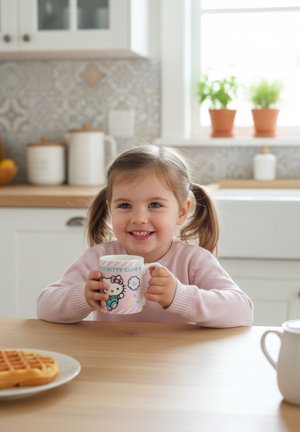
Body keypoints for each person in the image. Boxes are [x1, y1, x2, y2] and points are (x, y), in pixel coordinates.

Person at [37, 145, 253, 327]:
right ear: (110, 209)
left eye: (155, 205)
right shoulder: (98, 259)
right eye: (124, 205)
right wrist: (82, 297)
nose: (139, 218)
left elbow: (242, 311)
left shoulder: (192, 261)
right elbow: (45, 306)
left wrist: (180, 296)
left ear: (181, 211)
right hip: (109, 360)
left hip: (174, 366)